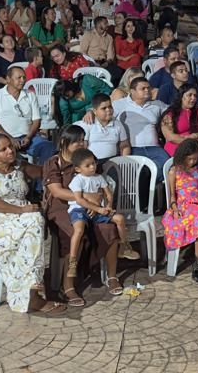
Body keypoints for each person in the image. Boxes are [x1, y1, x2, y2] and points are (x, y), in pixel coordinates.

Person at [0, 133, 65, 315]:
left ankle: (31, 290)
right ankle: (32, 294)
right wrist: (21, 210)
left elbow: (43, 172)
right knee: (35, 220)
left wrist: (62, 165)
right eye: (3, 149)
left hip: (22, 219)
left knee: (35, 221)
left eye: (10, 146)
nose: (10, 151)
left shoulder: (19, 165)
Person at [43, 126, 125, 303]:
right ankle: (68, 285)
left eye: (82, 140)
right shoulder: (54, 163)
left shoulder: (87, 158)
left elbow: (101, 183)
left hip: (92, 206)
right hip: (61, 208)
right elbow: (57, 191)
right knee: (73, 232)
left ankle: (112, 276)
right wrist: (85, 198)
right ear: (64, 142)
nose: (81, 144)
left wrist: (96, 202)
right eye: (77, 141)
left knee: (109, 228)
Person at [67, 148, 140, 272]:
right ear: (78, 169)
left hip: (98, 210)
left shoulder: (99, 177)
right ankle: (72, 262)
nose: (92, 167)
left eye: (93, 163)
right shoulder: (77, 180)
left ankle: (123, 247)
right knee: (79, 229)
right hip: (79, 210)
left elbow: (108, 194)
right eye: (87, 165)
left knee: (119, 219)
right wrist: (98, 208)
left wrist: (109, 206)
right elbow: (79, 200)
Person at [0, 66, 52, 163]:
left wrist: (28, 137)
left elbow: (36, 120)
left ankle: (42, 172)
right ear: (8, 79)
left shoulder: (30, 95)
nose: (22, 80)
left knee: (48, 147)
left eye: (24, 77)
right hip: (6, 138)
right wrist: (10, 139)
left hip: (29, 137)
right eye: (19, 78)